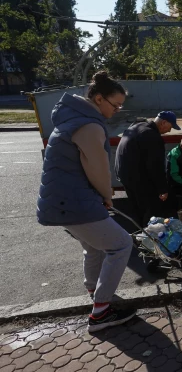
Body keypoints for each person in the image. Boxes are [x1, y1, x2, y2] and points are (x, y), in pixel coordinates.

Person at [36, 71, 135, 332]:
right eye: (115, 105)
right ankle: (101, 313)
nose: (117, 110)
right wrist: (106, 196)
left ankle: (94, 289)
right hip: (75, 201)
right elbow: (98, 168)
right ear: (99, 98)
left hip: (62, 200)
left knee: (94, 247)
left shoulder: (70, 118)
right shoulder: (90, 126)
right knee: (121, 244)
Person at [115, 110, 179, 226]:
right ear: (164, 122)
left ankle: (141, 233)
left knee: (137, 209)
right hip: (138, 179)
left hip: (125, 175)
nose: (169, 131)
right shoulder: (152, 136)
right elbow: (155, 166)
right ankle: (150, 236)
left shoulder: (138, 126)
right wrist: (162, 189)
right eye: (170, 127)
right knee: (151, 210)